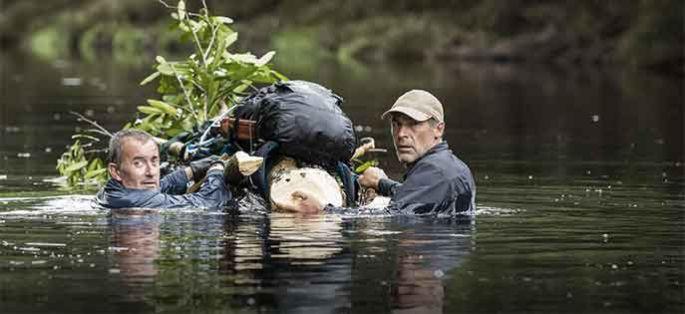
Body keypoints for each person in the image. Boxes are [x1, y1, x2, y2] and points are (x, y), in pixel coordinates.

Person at [276, 89, 476, 215]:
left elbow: (392, 218)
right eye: (396, 125)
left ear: (438, 129)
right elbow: (419, 199)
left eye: (413, 125)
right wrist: (382, 184)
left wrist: (322, 210)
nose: (401, 134)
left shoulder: (435, 172)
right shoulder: (447, 166)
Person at [95, 129, 232, 209]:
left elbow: (159, 187)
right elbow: (209, 202)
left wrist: (194, 169)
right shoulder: (133, 202)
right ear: (115, 171)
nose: (151, 172)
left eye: (154, 162)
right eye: (138, 163)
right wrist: (217, 170)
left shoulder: (112, 192)